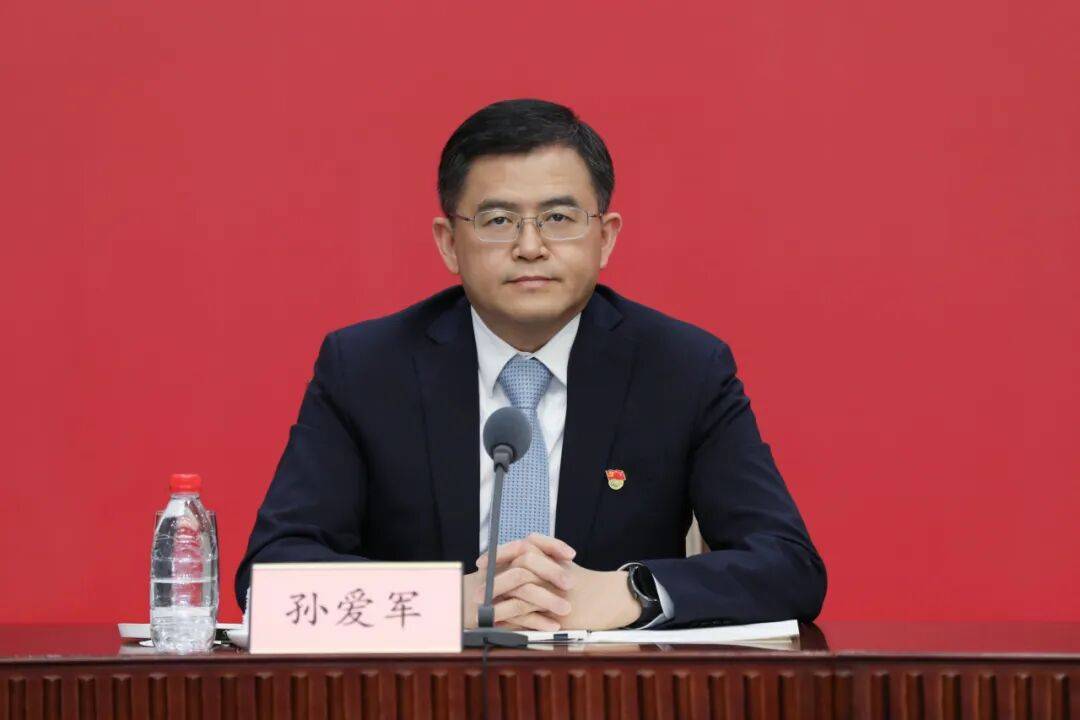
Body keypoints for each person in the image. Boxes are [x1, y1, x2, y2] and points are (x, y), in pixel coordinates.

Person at [236, 98, 827, 631]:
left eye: (559, 219)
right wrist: (443, 601)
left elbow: (788, 565)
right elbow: (269, 577)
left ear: (605, 237)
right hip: (420, 691)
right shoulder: (366, 369)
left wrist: (631, 592)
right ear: (448, 243)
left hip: (614, 693)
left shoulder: (683, 369)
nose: (529, 246)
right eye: (497, 221)